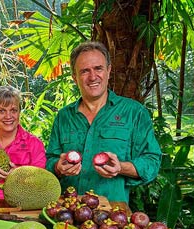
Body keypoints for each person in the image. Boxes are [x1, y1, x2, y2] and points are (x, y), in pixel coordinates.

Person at [46, 41, 162, 203]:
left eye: (98, 68)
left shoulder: (134, 112)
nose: (93, 77)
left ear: (109, 70)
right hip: (67, 211)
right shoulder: (64, 116)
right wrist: (58, 167)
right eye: (85, 71)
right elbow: (49, 161)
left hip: (112, 216)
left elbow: (152, 162)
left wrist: (120, 167)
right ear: (74, 77)